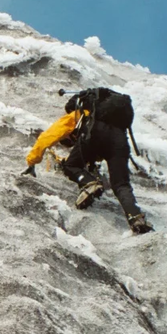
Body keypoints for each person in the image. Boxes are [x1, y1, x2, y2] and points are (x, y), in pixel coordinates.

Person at [23, 88, 152, 234]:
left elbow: (47, 137)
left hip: (95, 134)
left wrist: (31, 162)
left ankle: (89, 183)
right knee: (121, 184)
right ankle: (136, 218)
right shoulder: (114, 120)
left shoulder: (78, 115)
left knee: (70, 165)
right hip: (120, 141)